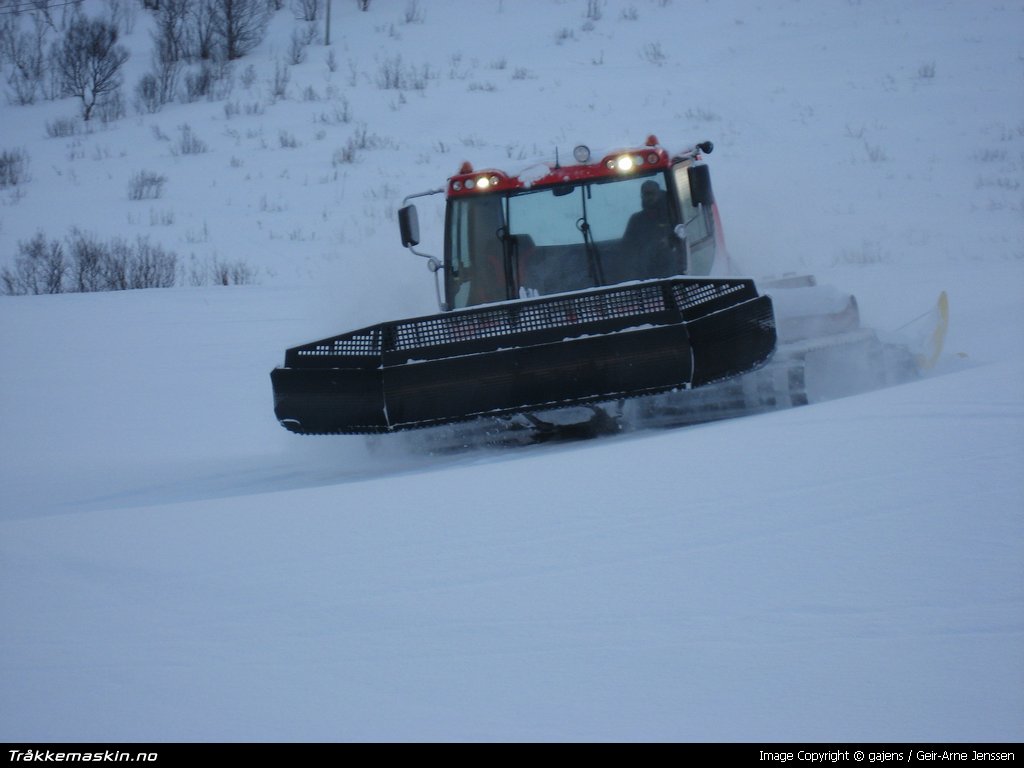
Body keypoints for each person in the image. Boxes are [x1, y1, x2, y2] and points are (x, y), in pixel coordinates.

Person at [622, 180, 675, 276]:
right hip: (646, 274)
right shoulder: (636, 220)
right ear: (642, 196)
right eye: (646, 194)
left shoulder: (672, 215)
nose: (649, 197)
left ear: (659, 194)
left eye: (652, 194)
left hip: (674, 273)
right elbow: (627, 249)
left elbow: (685, 235)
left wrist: (669, 241)